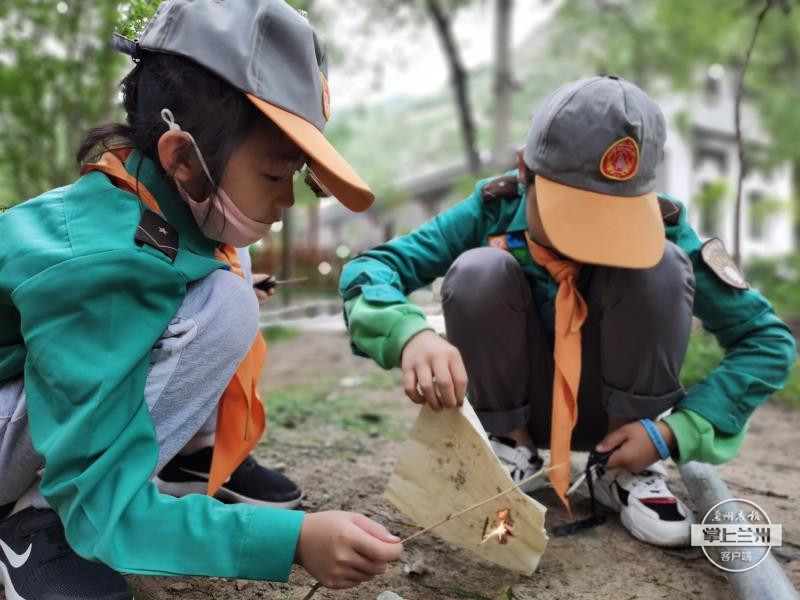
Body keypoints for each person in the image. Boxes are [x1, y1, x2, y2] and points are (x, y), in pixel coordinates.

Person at [0, 1, 403, 598]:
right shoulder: (107, 266)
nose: (287, 202)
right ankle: (40, 528)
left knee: (229, 276)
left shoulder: (140, 207)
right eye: (274, 176)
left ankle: (174, 463)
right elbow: (102, 497)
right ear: (183, 158)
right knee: (226, 300)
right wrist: (291, 538)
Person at [339, 76, 796, 548]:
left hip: (626, 424)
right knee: (479, 270)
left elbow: (767, 339)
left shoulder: (666, 229)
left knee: (658, 265)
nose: (591, 242)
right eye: (575, 217)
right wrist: (409, 334)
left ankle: (627, 471)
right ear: (524, 172)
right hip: (520, 407)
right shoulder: (492, 210)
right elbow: (373, 268)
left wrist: (673, 430)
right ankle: (509, 452)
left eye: (613, 222)